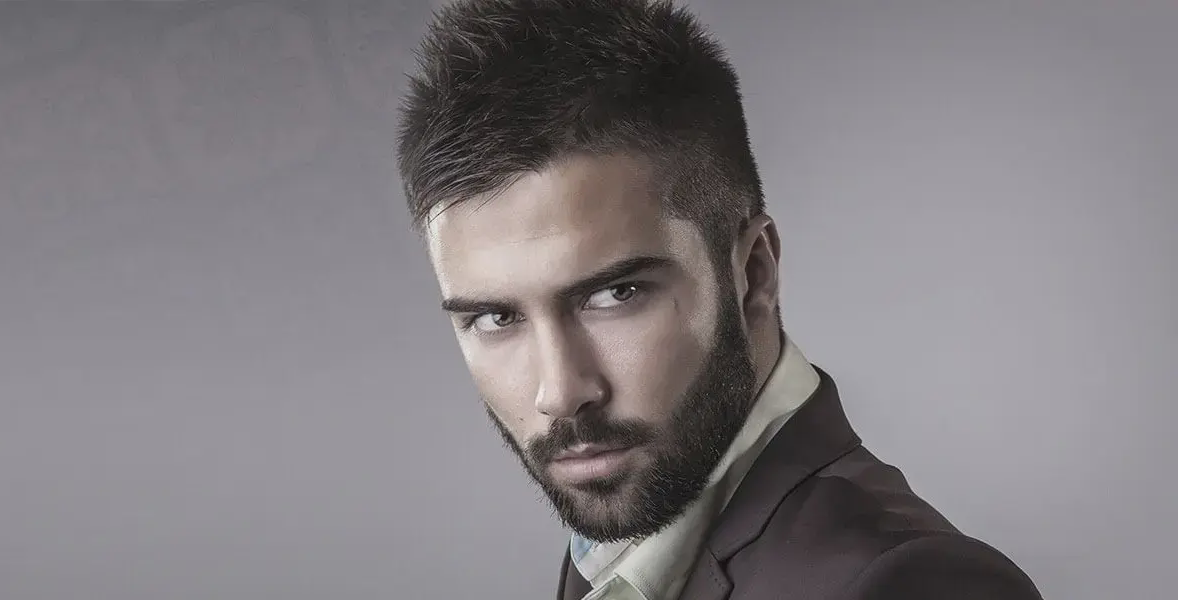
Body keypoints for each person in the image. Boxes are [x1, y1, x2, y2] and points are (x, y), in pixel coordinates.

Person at [392, 1, 1044, 598]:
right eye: (496, 317)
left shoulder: (905, 583)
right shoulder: (619, 550)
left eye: (615, 294)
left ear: (753, 273)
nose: (559, 394)